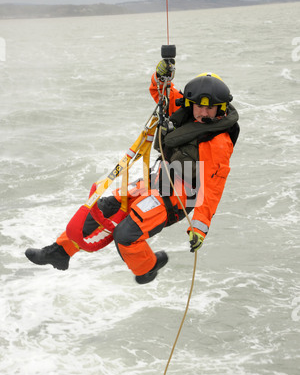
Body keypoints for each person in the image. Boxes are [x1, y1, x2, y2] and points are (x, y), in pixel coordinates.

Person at [25, 60, 240, 284]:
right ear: (190, 103)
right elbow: (161, 91)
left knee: (126, 235)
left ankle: (147, 268)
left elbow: (214, 187)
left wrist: (199, 228)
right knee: (104, 207)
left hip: (179, 197)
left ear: (220, 108)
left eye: (210, 108)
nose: (203, 112)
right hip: (158, 180)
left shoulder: (218, 142)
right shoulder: (182, 107)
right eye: (198, 106)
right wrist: (160, 74)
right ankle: (60, 252)